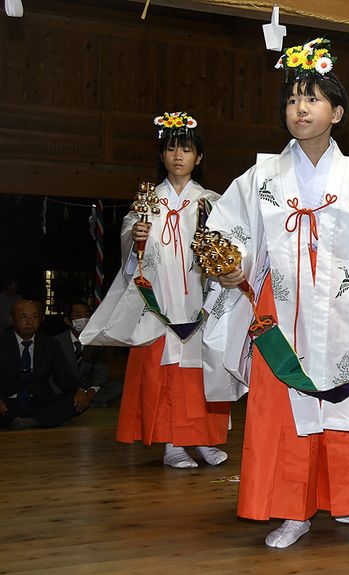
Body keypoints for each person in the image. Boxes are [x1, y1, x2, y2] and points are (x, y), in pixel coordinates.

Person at [202, 38, 349, 549]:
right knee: (285, 409)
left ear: (337, 111)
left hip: (347, 312)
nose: (300, 108)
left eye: (313, 98)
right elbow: (229, 232)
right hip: (280, 316)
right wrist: (228, 261)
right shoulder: (263, 176)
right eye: (291, 99)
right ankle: (292, 509)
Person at [80, 112, 229, 469]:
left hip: (197, 301)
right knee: (162, 375)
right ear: (161, 156)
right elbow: (131, 257)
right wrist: (136, 239)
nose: (179, 156)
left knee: (201, 373)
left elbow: (228, 248)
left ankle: (204, 439)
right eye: (171, 149)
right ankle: (172, 445)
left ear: (199, 157)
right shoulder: (146, 203)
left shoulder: (210, 201)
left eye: (187, 149)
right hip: (158, 305)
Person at [1, 299, 90, 429]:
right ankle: (41, 420)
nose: (30, 322)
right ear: (11, 319)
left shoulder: (50, 344)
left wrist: (80, 391)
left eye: (35, 317)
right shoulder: (2, 341)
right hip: (7, 401)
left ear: (41, 318)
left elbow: (64, 377)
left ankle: (30, 422)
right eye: (23, 316)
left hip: (39, 401)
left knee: (77, 401)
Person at [55, 299, 121, 408]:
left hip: (88, 389)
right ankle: (89, 403)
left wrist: (89, 393)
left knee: (119, 387)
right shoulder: (56, 342)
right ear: (67, 320)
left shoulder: (97, 342)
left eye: (87, 315)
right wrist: (76, 391)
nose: (84, 319)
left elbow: (100, 373)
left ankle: (82, 402)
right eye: (78, 315)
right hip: (64, 389)